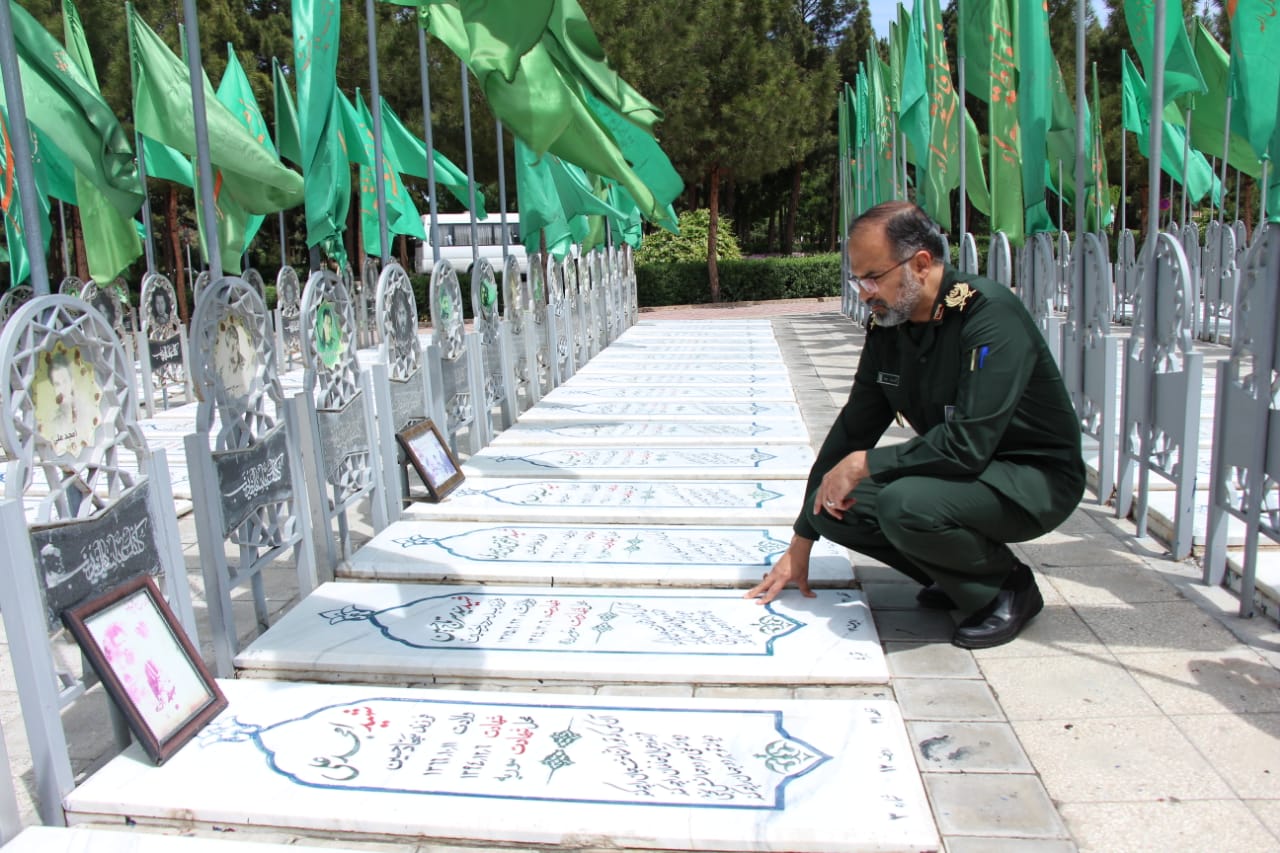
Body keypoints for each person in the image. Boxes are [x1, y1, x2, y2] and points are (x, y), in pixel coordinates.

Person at [747, 201, 1085, 649]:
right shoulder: (891, 325)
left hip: (1033, 479)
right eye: (858, 279)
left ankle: (1007, 587)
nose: (865, 292)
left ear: (921, 264)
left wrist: (866, 463)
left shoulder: (987, 316)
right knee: (832, 504)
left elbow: (967, 443)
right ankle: (957, 576)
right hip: (964, 474)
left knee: (905, 504)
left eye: (873, 277)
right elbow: (853, 429)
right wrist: (801, 542)